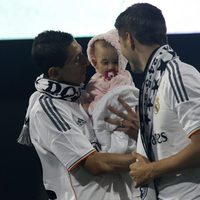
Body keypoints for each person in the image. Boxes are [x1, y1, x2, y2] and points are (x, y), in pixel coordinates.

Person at [17, 30, 137, 200]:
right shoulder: (46, 110)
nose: (86, 63)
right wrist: (150, 161)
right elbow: (94, 164)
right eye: (77, 60)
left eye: (82, 55)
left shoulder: (85, 95)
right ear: (54, 73)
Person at [111, 2, 200, 200]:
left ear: (129, 39)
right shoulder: (154, 81)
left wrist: (150, 170)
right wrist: (143, 135)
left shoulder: (178, 75)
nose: (121, 53)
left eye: (120, 44)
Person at [84, 29, 139, 153]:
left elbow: (117, 99)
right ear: (95, 62)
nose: (110, 67)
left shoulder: (121, 77)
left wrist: (93, 108)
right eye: (105, 62)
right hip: (101, 122)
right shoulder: (94, 80)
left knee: (120, 146)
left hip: (121, 122)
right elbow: (92, 96)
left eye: (115, 62)